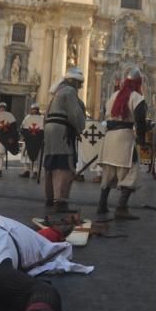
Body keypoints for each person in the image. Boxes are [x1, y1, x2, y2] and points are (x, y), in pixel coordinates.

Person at [97, 68, 149, 221]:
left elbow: (105, 113)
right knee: (131, 171)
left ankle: (101, 204)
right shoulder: (136, 97)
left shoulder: (113, 95)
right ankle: (121, 207)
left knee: (109, 171)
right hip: (124, 138)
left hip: (110, 138)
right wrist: (141, 138)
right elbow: (140, 120)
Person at [41, 69, 86, 213]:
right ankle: (60, 201)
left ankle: (50, 198)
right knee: (63, 164)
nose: (80, 87)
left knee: (51, 164)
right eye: (79, 84)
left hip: (50, 130)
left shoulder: (57, 93)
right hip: (61, 131)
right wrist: (79, 128)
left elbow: (46, 115)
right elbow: (75, 113)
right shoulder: (69, 92)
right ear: (74, 81)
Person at [19, 103, 44, 179]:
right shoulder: (27, 117)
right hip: (28, 139)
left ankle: (35, 171)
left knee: (36, 155)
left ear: (37, 110)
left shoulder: (41, 118)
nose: (34, 111)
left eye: (35, 109)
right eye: (33, 109)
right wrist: (24, 134)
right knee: (25, 155)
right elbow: (23, 126)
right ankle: (26, 171)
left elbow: (43, 129)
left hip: (37, 140)